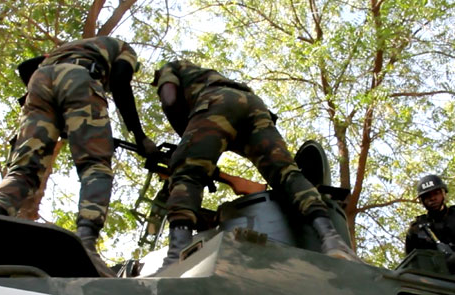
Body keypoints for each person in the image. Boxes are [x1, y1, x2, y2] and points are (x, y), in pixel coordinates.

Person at [151, 60, 359, 268]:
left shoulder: (169, 68)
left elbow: (169, 101)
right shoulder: (204, 74)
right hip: (255, 106)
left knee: (187, 172)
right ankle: (333, 240)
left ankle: (176, 258)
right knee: (287, 173)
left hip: (217, 101)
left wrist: (186, 148)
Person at [0, 36, 156, 276]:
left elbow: (25, 67)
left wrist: (57, 114)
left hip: (39, 82)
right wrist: (140, 137)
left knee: (24, 167)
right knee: (95, 166)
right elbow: (120, 80)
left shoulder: (70, 48)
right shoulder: (123, 48)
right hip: (79, 79)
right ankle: (86, 239)